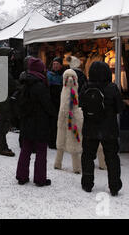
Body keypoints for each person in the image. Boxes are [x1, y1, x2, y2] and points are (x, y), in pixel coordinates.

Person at [80, 61, 123, 196]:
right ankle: (114, 186)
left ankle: (87, 183)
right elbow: (119, 108)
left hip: (90, 127)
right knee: (112, 158)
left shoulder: (85, 86)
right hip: (109, 129)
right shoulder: (112, 88)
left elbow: (81, 104)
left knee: (87, 156)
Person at [16, 57, 56, 187]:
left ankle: (21, 176)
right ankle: (40, 179)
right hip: (40, 122)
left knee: (26, 149)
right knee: (40, 151)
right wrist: (53, 115)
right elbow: (47, 105)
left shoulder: (24, 82)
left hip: (27, 121)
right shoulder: (40, 85)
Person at [54, 69, 83, 174]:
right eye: (67, 77)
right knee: (65, 140)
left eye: (72, 77)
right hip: (67, 117)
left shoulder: (70, 90)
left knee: (70, 141)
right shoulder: (67, 90)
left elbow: (71, 104)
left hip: (70, 118)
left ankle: (73, 166)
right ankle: (75, 167)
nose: (70, 79)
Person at [0, 47, 19, 157]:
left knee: (2, 123)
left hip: (1, 99)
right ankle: (2, 147)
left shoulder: (0, 66)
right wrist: (18, 84)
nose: (13, 58)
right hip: (2, 100)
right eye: (11, 55)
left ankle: (0, 146)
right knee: (4, 123)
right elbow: (10, 83)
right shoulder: (1, 68)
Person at [47, 57, 64, 149]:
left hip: (60, 101)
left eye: (57, 64)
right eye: (54, 64)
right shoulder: (49, 74)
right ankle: (52, 141)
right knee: (52, 122)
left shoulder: (63, 75)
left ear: (61, 65)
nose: (55, 65)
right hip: (52, 101)